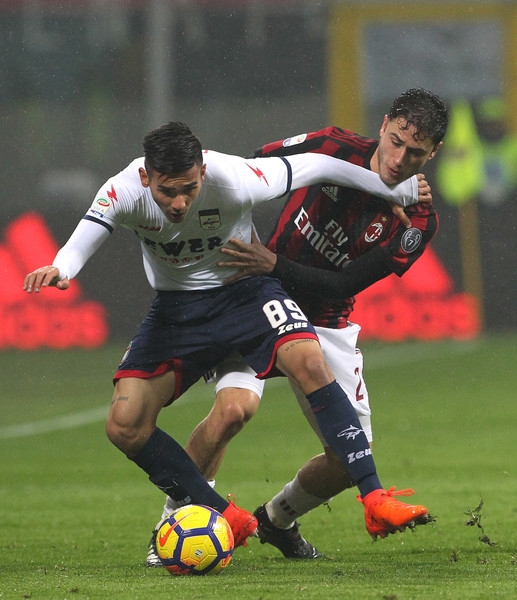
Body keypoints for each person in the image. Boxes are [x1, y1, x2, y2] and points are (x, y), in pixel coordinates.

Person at [23, 120, 429, 553]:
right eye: (167, 192)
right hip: (178, 310)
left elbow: (316, 165)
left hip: (246, 294)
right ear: (146, 177)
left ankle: (374, 496)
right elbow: (90, 229)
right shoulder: (124, 190)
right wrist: (62, 267)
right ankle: (221, 515)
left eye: (189, 189)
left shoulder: (235, 179)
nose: (179, 203)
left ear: (203, 170)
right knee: (125, 425)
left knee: (310, 362)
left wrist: (391, 189)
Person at [146, 88, 449, 563]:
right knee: (232, 411)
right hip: (257, 298)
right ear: (384, 125)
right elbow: (252, 167)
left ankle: (276, 519)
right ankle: (173, 520)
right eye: (395, 141)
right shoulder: (330, 147)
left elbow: (345, 283)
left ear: (433, 153)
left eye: (415, 152)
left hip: (325, 319)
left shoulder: (419, 220)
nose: (399, 159)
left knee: (350, 459)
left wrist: (273, 263)